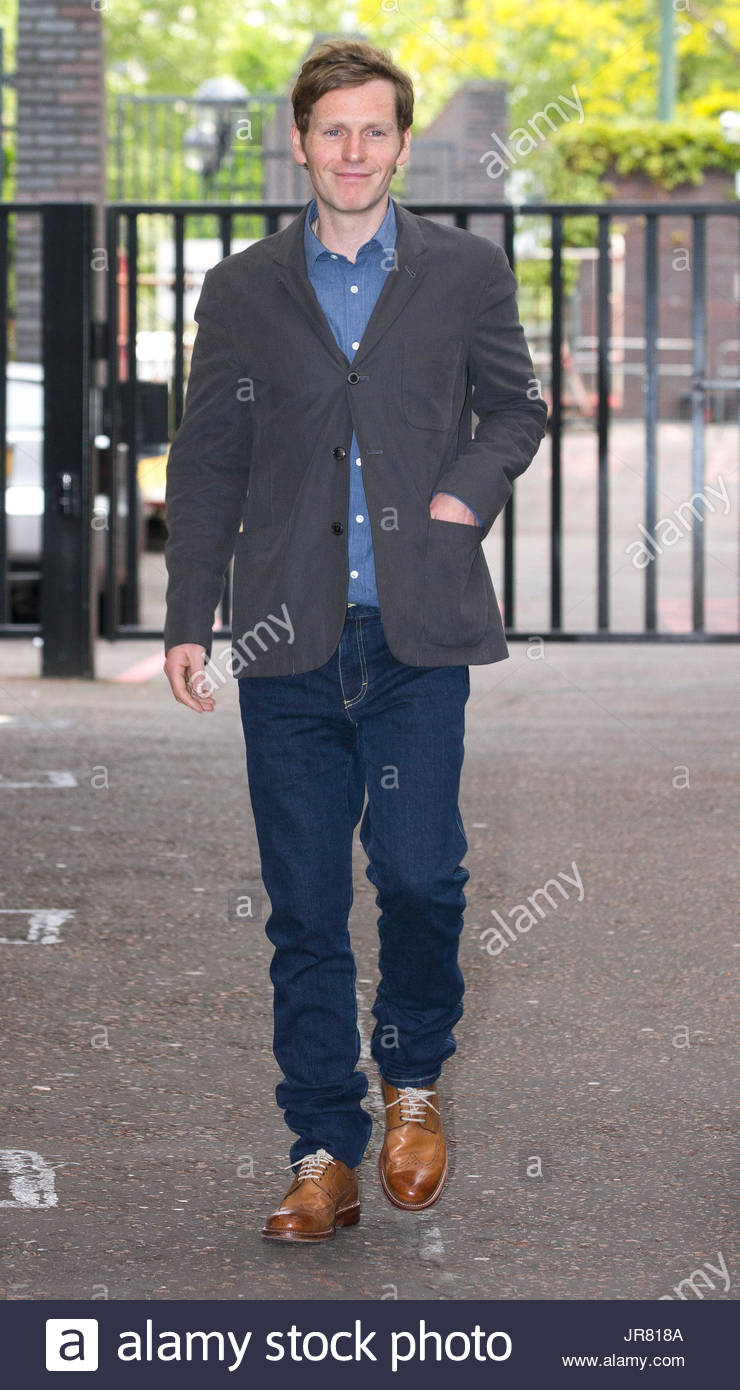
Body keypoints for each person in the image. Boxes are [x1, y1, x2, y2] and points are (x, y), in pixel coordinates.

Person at [163, 36, 547, 1243]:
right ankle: (322, 1148)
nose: (351, 151)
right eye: (331, 130)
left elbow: (517, 406)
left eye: (373, 130)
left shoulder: (463, 273)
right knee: (304, 909)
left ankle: (413, 1080)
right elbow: (208, 458)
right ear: (298, 141)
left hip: (415, 637)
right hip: (286, 643)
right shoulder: (239, 289)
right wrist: (187, 618)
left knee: (422, 877)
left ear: (400, 141)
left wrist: (462, 493)